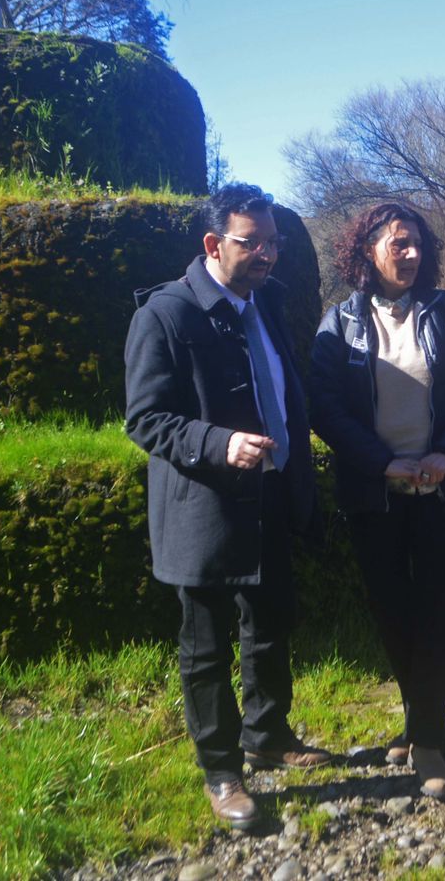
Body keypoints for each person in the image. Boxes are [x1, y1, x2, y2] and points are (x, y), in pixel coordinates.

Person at [124, 183, 330, 832]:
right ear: (214, 245)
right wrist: (218, 442)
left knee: (272, 622)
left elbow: (284, 387)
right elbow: (146, 419)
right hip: (204, 508)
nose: (269, 254)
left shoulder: (265, 300)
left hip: (269, 494)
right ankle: (222, 773)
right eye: (253, 242)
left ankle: (267, 734)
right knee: (206, 647)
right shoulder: (164, 315)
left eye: (274, 241)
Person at [309, 202, 445, 801]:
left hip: (442, 487)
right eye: (398, 243)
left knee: (438, 606)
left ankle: (428, 738)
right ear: (367, 251)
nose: (410, 253)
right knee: (391, 607)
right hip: (375, 489)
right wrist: (381, 461)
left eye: (416, 243)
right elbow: (326, 407)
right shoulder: (338, 323)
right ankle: (420, 719)